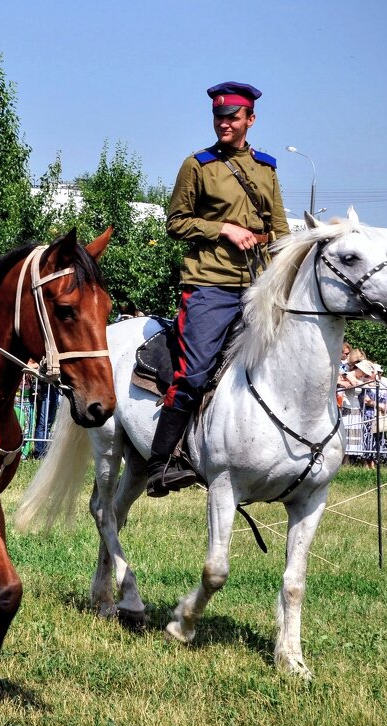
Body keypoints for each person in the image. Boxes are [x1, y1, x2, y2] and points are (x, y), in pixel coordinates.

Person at [146, 81, 289, 496]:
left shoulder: (267, 167)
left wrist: (284, 275)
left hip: (258, 286)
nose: (224, 123)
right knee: (195, 373)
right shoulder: (199, 165)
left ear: (250, 120)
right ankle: (160, 464)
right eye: (218, 117)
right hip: (210, 283)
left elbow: (279, 230)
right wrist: (222, 228)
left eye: (232, 117)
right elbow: (175, 222)